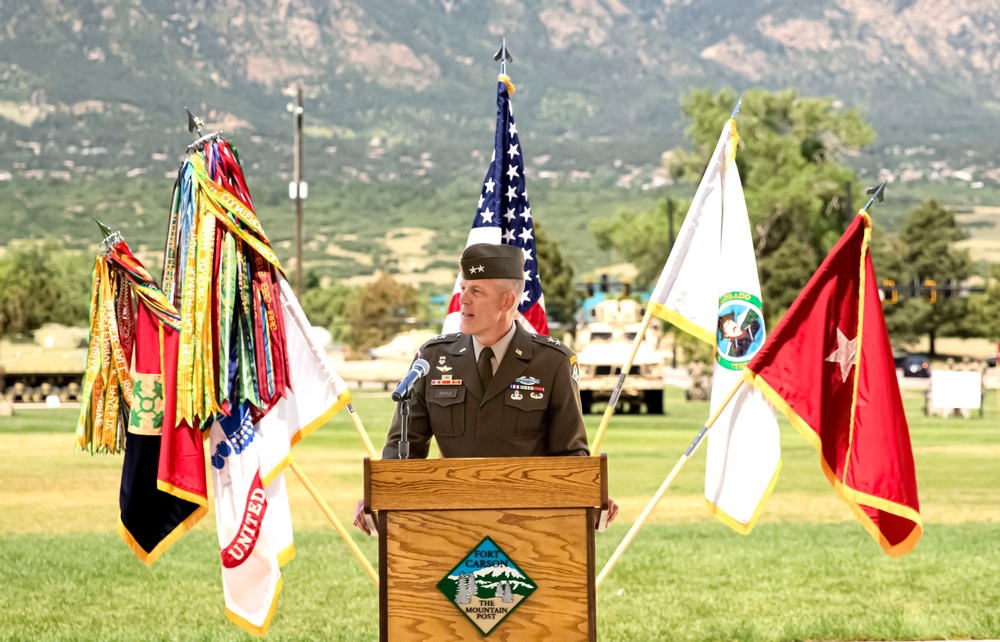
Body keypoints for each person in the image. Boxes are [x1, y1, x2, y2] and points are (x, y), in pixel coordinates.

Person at [354, 243, 618, 533]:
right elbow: (405, 446)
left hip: (528, 526)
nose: (462, 300)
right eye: (463, 288)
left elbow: (570, 454)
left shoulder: (552, 363)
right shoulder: (432, 359)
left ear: (507, 301)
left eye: (476, 291)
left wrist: (587, 494)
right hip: (450, 525)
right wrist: (380, 495)